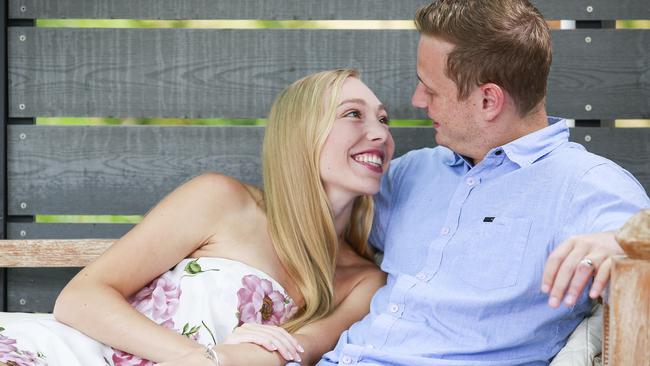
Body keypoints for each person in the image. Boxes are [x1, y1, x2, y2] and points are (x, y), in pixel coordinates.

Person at [319, 1, 650, 365]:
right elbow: (302, 228)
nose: (417, 100)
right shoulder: (410, 173)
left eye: (430, 90)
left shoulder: (585, 186)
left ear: (488, 100)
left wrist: (626, 248)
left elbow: (638, 248)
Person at [0, 69, 393, 366]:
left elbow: (290, 355)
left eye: (384, 119)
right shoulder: (222, 201)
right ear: (303, 134)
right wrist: (198, 357)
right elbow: (79, 299)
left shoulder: (362, 282)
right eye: (354, 115)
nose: (379, 133)